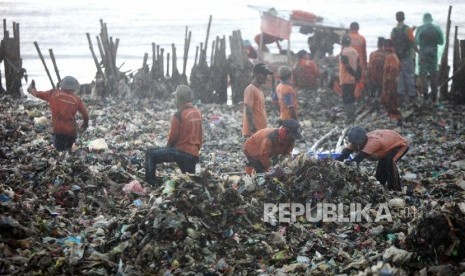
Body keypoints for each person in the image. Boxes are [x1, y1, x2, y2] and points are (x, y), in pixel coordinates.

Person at [145, 85, 203, 185]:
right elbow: (200, 135)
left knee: (150, 154)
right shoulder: (197, 112)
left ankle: (150, 184)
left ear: (179, 99)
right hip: (194, 156)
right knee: (191, 181)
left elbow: (172, 138)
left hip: (181, 152)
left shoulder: (179, 114)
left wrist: (167, 150)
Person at [336, 126, 409, 191]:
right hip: (386, 145)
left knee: (390, 162)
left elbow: (357, 160)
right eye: (355, 144)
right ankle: (381, 184)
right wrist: (336, 162)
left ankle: (395, 189)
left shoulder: (373, 142)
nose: (357, 147)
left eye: (359, 144)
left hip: (400, 145)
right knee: (382, 164)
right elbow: (345, 154)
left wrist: (348, 164)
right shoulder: (355, 142)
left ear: (363, 140)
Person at [27, 76, 89, 152]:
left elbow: (37, 94)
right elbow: (85, 115)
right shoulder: (77, 99)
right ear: (74, 87)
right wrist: (84, 126)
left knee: (59, 153)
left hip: (59, 130)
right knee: (68, 152)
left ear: (61, 85)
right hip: (72, 132)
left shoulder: (53, 93)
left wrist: (32, 89)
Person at [415, 12, 444, 103]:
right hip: (433, 55)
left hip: (423, 55)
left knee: (423, 75)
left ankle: (425, 95)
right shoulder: (437, 28)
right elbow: (441, 42)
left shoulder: (420, 29)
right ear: (431, 19)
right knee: (433, 75)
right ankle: (434, 97)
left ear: (423, 20)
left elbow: (416, 42)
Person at [391, 11, 418, 105]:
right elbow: (413, 43)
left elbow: (392, 42)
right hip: (408, 56)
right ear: (404, 18)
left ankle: (401, 96)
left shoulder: (394, 30)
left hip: (398, 57)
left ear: (396, 18)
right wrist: (420, 53)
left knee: (401, 76)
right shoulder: (408, 29)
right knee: (409, 76)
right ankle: (412, 96)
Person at [242, 63, 273, 137]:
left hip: (260, 131)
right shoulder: (250, 89)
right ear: (256, 74)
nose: (265, 77)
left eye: (266, 75)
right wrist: (253, 130)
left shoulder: (259, 90)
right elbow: (248, 110)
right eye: (263, 74)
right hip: (253, 133)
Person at [339, 34, 360, 124]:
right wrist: (357, 76)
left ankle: (349, 117)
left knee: (346, 98)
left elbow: (346, 65)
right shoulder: (355, 51)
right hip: (352, 79)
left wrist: (353, 73)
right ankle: (353, 116)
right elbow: (359, 64)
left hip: (345, 78)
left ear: (342, 42)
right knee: (351, 97)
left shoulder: (343, 52)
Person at [380, 39, 402, 126]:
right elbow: (399, 67)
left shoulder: (390, 56)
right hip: (393, 81)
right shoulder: (393, 55)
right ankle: (393, 116)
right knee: (391, 99)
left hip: (390, 82)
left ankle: (394, 116)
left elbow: (393, 69)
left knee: (390, 99)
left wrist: (388, 80)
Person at [348, 22, 367, 99]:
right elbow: (364, 53)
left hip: (349, 63)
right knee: (359, 80)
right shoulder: (362, 38)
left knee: (349, 79)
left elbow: (343, 52)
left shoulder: (347, 38)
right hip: (359, 63)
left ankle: (350, 95)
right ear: (358, 28)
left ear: (350, 28)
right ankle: (357, 95)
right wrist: (365, 66)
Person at [367, 37, 386, 106]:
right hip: (381, 79)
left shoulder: (372, 54)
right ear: (384, 45)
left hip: (372, 78)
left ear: (377, 45)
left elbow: (369, 68)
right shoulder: (386, 55)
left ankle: (372, 98)